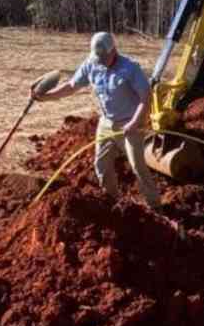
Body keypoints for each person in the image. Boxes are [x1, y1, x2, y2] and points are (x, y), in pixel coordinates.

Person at [33, 32, 162, 211]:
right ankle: (114, 202)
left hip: (130, 123)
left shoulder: (130, 69)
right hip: (106, 123)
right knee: (101, 166)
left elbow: (145, 98)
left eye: (104, 57)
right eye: (97, 58)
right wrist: (45, 97)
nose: (100, 61)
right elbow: (71, 86)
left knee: (137, 167)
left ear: (113, 51)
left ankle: (155, 207)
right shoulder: (91, 64)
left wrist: (135, 122)